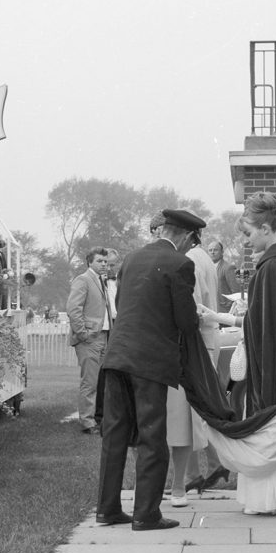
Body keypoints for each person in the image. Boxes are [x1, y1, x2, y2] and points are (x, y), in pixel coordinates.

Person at [199, 192, 276, 515]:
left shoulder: (271, 269)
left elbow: (259, 327)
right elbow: (267, 323)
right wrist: (221, 317)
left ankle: (272, 500)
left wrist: (218, 318)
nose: (247, 242)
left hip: (273, 376)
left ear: (266, 228)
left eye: (249, 234)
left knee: (268, 431)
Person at [96, 209, 204, 532]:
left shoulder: (130, 259)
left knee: (114, 435)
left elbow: (122, 304)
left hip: (116, 356)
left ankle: (107, 509)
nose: (190, 248)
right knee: (152, 435)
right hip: (150, 361)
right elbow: (186, 321)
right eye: (192, 241)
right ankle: (146, 513)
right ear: (185, 236)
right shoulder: (181, 264)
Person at [166, 227, 222, 507]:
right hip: (210, 338)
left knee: (188, 413)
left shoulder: (189, 260)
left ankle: (195, 473)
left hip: (197, 342)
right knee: (203, 408)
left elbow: (193, 306)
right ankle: (211, 465)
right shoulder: (204, 257)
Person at [66, 246, 112, 434]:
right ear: (90, 262)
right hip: (90, 339)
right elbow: (73, 308)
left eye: (105, 262)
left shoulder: (102, 281)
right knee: (90, 382)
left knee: (99, 382)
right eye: (100, 261)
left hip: (103, 338)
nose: (104, 264)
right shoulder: (83, 280)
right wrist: (83, 333)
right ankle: (87, 422)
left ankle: (95, 419)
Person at [207, 240, 242, 314]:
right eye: (210, 250)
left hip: (225, 311)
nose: (212, 252)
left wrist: (229, 308)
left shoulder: (228, 268)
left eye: (215, 250)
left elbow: (236, 292)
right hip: (211, 310)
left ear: (222, 252)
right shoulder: (207, 268)